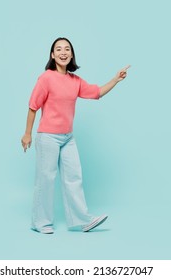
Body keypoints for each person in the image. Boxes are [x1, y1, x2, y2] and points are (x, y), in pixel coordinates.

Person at [21, 37, 130, 234]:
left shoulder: (75, 81)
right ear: (53, 55)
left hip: (67, 137)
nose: (63, 52)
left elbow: (97, 93)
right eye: (58, 49)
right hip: (48, 137)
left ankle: (82, 220)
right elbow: (32, 106)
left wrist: (115, 79)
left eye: (67, 49)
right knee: (46, 179)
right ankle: (40, 222)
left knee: (74, 178)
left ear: (71, 54)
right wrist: (27, 134)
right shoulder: (46, 78)